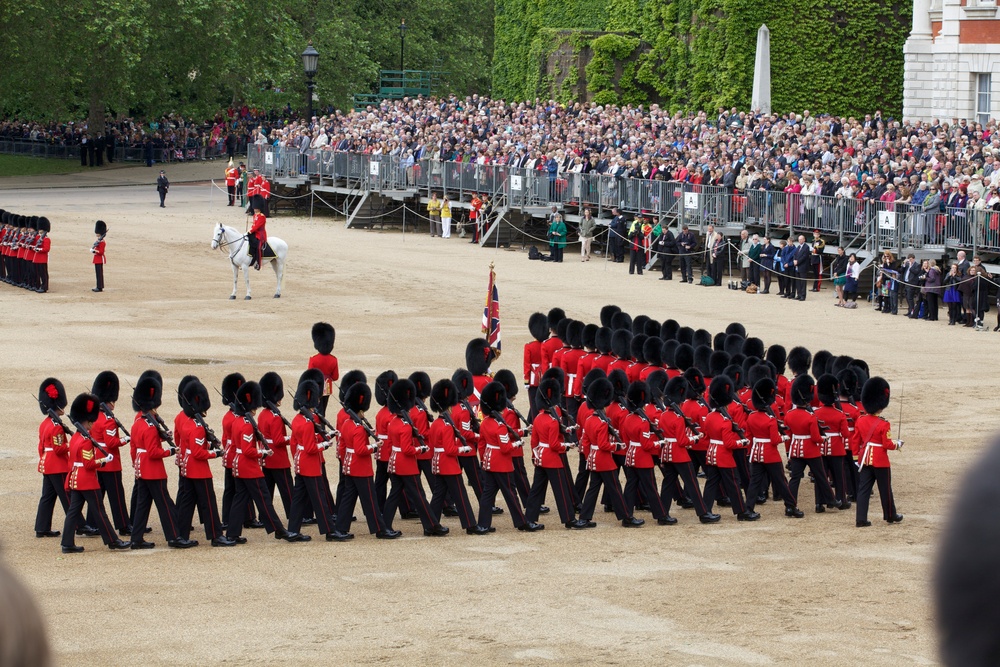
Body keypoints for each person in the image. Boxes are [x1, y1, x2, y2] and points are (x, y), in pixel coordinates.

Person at [224, 381, 302, 543]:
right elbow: (248, 451)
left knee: (240, 500)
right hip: (249, 468)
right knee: (264, 500)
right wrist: (263, 452)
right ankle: (279, 530)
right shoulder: (246, 425)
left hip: (240, 466)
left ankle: (232, 534)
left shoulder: (238, 420)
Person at [129, 376, 197, 549]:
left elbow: (136, 447)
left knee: (142, 505)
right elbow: (153, 452)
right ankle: (174, 537)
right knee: (165, 505)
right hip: (153, 471)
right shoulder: (151, 427)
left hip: (142, 469)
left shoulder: (138, 422)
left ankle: (136, 538)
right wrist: (172, 450)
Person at [58, 394, 131, 553]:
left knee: (73, 512)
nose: (92, 425)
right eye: (91, 422)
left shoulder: (77, 437)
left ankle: (67, 543)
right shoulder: (85, 440)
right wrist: (104, 460)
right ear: (88, 421)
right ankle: (113, 540)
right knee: (100, 511)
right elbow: (89, 464)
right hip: (87, 481)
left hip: (76, 479)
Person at [472, 381, 541, 533]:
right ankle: (522, 522)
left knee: (487, 495)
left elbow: (482, 445)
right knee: (511, 494)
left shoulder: (485, 423)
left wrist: (484, 461)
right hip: (502, 464)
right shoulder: (500, 426)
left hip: (489, 463)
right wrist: (518, 444)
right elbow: (506, 448)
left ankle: (483, 524)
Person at [335, 382, 400, 540]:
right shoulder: (357, 428)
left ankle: (340, 529)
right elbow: (361, 450)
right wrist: (375, 447)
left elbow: (343, 446)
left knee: (348, 499)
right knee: (370, 500)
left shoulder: (347, 423)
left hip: (350, 466)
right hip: (361, 469)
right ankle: (380, 529)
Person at [173, 380, 235, 546]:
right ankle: (216, 535)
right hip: (199, 470)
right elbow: (198, 453)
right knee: (208, 503)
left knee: (186, 503)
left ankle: (181, 535)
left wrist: (207, 444)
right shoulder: (198, 427)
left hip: (187, 468)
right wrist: (215, 453)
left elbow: (191, 445)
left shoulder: (188, 422)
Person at [286, 379, 338, 539]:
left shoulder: (298, 419)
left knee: (298, 499)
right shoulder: (308, 422)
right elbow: (310, 448)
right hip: (310, 465)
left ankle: (293, 530)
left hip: (301, 464)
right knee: (319, 498)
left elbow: (299, 443)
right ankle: (329, 531)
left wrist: (324, 436)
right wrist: (325, 445)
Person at [426, 380, 479, 532]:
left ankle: (431, 524)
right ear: (449, 406)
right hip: (449, 465)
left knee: (438, 496)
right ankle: (470, 525)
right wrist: (463, 450)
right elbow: (450, 450)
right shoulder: (447, 426)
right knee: (461, 495)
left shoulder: (436, 424)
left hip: (438, 463)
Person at [855, 377, 903, 527]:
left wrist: (857, 458)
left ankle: (860, 518)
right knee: (885, 489)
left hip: (864, 459)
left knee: (863, 490)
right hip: (880, 461)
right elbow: (887, 444)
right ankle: (890, 515)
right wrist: (898, 444)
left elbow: (855, 441)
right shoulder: (884, 424)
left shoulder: (860, 420)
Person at [89, 371, 132, 536]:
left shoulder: (95, 417)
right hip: (110, 462)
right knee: (117, 496)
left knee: (97, 494)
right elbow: (112, 443)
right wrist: (126, 439)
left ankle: (92, 524)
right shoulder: (108, 420)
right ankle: (123, 525)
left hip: (98, 460)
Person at [34, 378, 75, 538]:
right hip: (57, 465)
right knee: (67, 497)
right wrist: (73, 445)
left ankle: (42, 527)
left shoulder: (45, 423)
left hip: (47, 464)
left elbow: (41, 447)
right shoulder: (57, 426)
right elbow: (59, 449)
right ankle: (79, 525)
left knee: (47, 497)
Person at [308, 321, 339, 417]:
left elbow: (309, 375)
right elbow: (335, 377)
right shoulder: (333, 359)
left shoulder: (314, 359)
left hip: (316, 386)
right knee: (323, 409)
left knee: (317, 410)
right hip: (328, 387)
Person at [32, 216, 50, 293]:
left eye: (41, 229)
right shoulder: (38, 237)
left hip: (42, 258)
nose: (39, 230)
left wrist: (39, 249)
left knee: (43, 274)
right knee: (38, 273)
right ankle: (38, 285)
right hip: (36, 258)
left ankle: (44, 287)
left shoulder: (46, 239)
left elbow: (47, 249)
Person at [792, 234, 810, 300]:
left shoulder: (806, 247)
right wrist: (794, 260)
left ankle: (803, 295)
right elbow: (795, 255)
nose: (800, 240)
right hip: (797, 266)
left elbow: (804, 257)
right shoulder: (798, 247)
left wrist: (798, 262)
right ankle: (799, 294)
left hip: (803, 266)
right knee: (798, 281)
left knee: (803, 282)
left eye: (801, 239)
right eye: (799, 239)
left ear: (804, 239)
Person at [91, 220, 106, 293]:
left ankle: (99, 287)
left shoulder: (102, 242)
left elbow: (101, 252)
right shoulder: (99, 241)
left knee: (99, 274)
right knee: (98, 273)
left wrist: (94, 251)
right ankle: (99, 286)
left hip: (99, 259)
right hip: (97, 259)